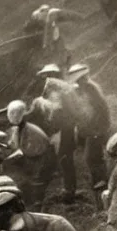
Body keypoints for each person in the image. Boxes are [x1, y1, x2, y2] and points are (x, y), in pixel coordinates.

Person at [27, 69, 78, 203]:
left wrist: (55, 129)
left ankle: (69, 192)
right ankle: (66, 189)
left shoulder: (60, 94)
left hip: (64, 132)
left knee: (66, 161)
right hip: (57, 132)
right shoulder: (47, 94)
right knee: (62, 160)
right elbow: (34, 112)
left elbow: (64, 115)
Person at [67, 63, 110, 202]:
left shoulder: (91, 89)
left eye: (79, 79)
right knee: (93, 156)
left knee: (91, 157)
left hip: (96, 128)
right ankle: (99, 179)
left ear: (84, 77)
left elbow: (101, 110)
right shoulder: (82, 88)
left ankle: (101, 181)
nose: (78, 81)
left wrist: (97, 129)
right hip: (88, 128)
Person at [4, 99, 55, 211]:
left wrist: (13, 157)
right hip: (36, 158)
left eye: (13, 113)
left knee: (25, 179)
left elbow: (31, 151)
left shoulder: (30, 130)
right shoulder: (21, 128)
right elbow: (15, 144)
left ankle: (34, 205)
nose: (11, 116)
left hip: (41, 161)